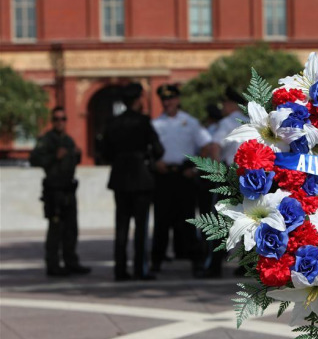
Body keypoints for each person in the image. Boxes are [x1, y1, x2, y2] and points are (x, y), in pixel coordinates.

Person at [102, 83, 164, 281]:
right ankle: (140, 269)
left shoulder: (112, 123)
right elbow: (158, 149)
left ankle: (120, 270)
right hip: (141, 177)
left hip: (120, 178)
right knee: (141, 227)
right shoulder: (143, 122)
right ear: (137, 100)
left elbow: (105, 153)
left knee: (121, 227)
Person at [151, 83, 212, 275]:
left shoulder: (190, 122)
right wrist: (154, 163)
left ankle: (197, 262)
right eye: (164, 99)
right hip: (163, 176)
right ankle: (156, 261)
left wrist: (195, 168)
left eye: (170, 99)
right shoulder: (155, 124)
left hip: (184, 176)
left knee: (188, 221)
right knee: (161, 221)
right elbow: (150, 151)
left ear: (177, 100)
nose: (167, 102)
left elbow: (207, 145)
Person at [30, 107, 91, 277]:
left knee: (71, 228)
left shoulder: (68, 140)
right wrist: (53, 157)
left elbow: (72, 161)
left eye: (63, 119)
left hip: (68, 189)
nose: (60, 122)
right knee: (55, 229)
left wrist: (76, 155)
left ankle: (71, 261)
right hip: (54, 190)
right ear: (52, 121)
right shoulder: (47, 140)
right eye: (57, 119)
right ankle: (53, 264)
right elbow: (34, 159)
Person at [209, 87, 250, 277]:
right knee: (248, 222)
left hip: (230, 176)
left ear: (230, 104)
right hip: (252, 178)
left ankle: (214, 265)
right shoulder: (250, 121)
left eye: (224, 104)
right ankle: (247, 264)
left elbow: (215, 146)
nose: (222, 107)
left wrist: (215, 171)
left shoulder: (226, 123)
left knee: (222, 222)